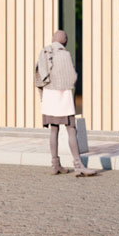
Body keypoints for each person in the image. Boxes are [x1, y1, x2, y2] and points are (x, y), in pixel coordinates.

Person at [35, 29, 95, 177]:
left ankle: (55, 164)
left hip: (49, 95)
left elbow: (38, 75)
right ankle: (78, 165)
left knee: (53, 130)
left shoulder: (44, 52)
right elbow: (71, 76)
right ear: (64, 41)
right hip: (62, 96)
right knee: (71, 129)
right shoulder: (64, 54)